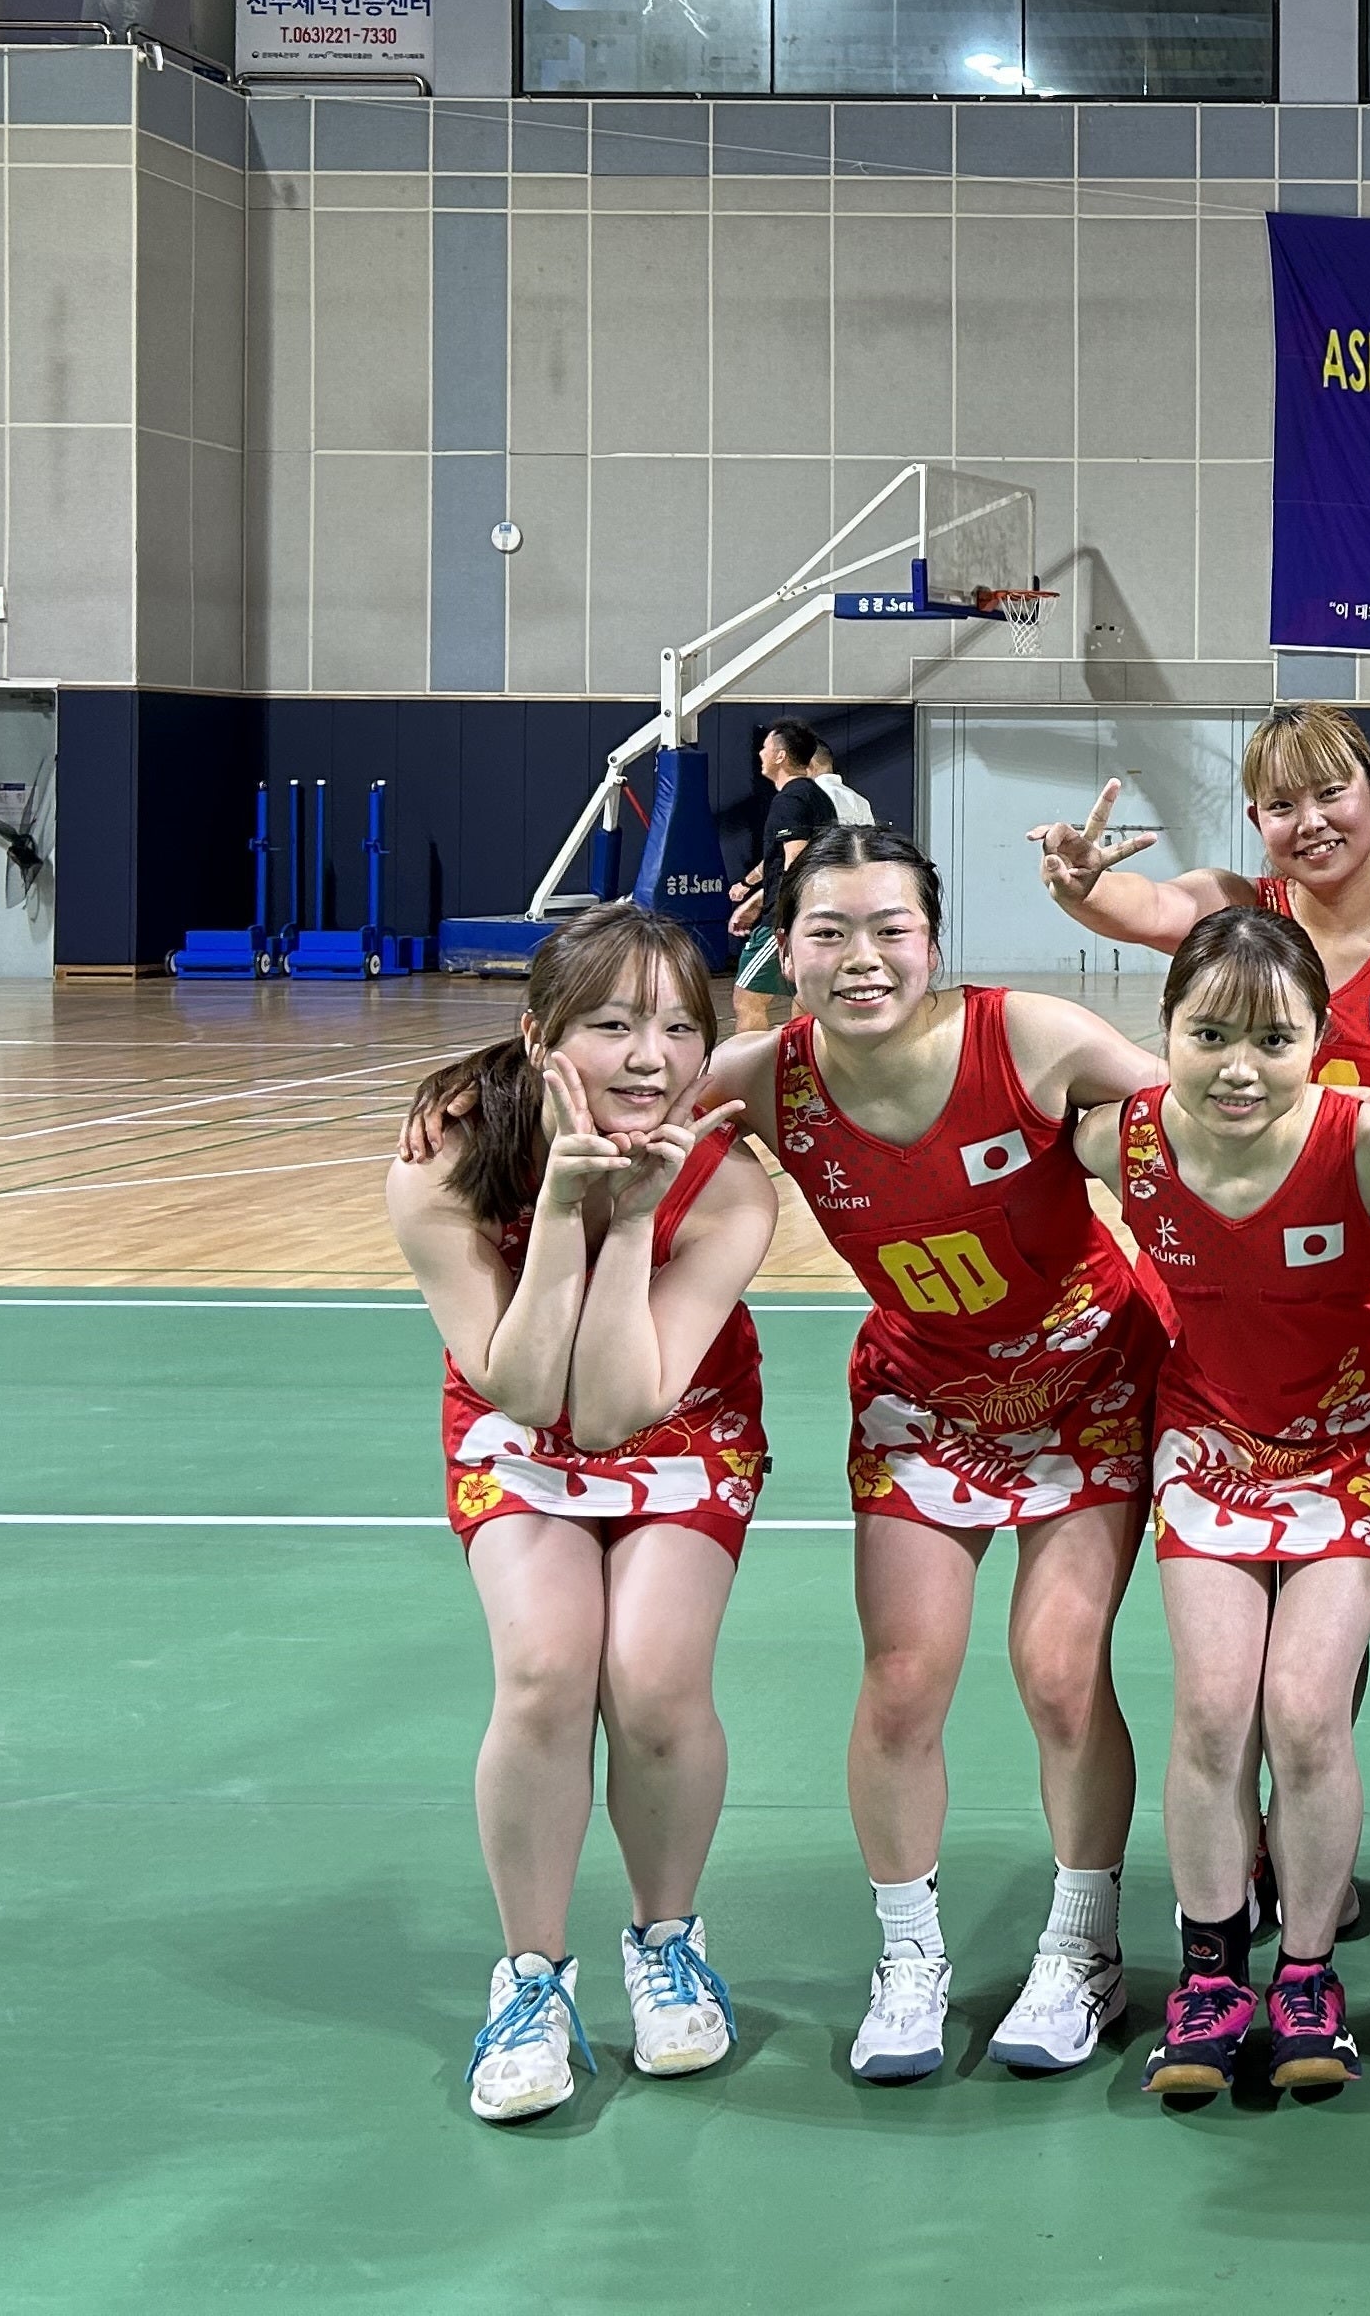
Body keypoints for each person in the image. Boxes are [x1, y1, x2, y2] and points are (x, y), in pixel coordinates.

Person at [691, 825, 1166, 2089]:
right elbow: (619, 1115)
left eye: (890, 928)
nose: (862, 956)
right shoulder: (760, 1079)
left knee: (1059, 1673)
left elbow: (1220, 1120)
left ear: (934, 941)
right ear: (783, 952)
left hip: (1090, 1381)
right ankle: (909, 1956)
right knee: (904, 1683)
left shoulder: (1032, 1038)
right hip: (925, 1399)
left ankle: (1084, 1944)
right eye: (829, 932)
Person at [1028, 704, 1370, 1922]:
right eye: (1279, 804)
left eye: (1328, 792)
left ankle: (1344, 1829)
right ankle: (1240, 1850)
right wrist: (1082, 887)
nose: (1309, 822)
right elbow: (1138, 908)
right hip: (1244, 1282)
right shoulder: (1238, 913)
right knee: (1233, 1644)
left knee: (1329, 1624)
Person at [1079, 909, 1370, 2104]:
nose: (1239, 1067)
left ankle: (1306, 1975)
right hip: (1209, 1435)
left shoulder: (1366, 1146)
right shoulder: (1117, 1142)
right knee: (1214, 1710)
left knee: (1306, 1710)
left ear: (1321, 1042)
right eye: (1209, 1035)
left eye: (1275, 1038)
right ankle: (1211, 1976)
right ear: (1163, 1032)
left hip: (1352, 1441)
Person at [385, 904, 777, 2123]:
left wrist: (638, 1216)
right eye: (611, 1025)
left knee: (653, 1680)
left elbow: (614, 1408)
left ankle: (667, 1943)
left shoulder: (730, 1188)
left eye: (679, 1027)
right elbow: (521, 1384)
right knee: (547, 1670)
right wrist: (561, 1207)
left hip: (676, 1412)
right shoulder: (445, 1161)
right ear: (538, 1036)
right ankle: (531, 1979)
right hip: (516, 1411)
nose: (651, 1058)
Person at [725, 718, 874, 1036]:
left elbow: (796, 861)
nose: (760, 753)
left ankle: (751, 1066)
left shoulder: (791, 799)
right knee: (805, 1000)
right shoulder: (821, 798)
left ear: (780, 755)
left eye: (765, 748)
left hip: (785, 920)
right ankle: (801, 1061)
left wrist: (780, 915)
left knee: (747, 1000)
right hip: (820, 914)